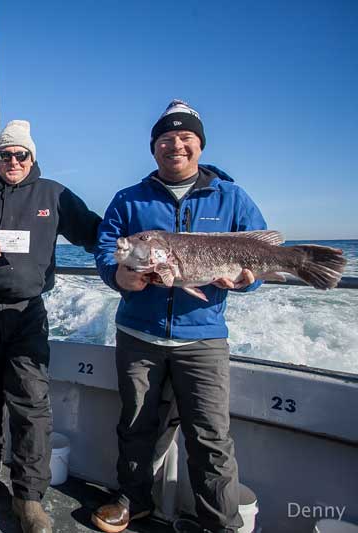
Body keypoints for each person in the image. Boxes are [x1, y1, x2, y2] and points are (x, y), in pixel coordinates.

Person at [92, 100, 265, 533]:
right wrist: (118, 276)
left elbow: (261, 262)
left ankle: (218, 524)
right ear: (154, 148)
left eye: (186, 137)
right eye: (166, 138)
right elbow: (104, 248)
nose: (176, 145)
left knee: (210, 438)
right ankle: (134, 500)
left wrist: (246, 280)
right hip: (139, 334)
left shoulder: (232, 197)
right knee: (135, 424)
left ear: (200, 145)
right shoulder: (129, 199)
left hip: (203, 339)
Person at [0, 120, 101, 533]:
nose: (13, 161)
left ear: (32, 157)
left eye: (20, 154)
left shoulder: (55, 195)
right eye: (5, 155)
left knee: (31, 401)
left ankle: (28, 496)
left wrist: (141, 245)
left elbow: (94, 232)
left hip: (28, 312)